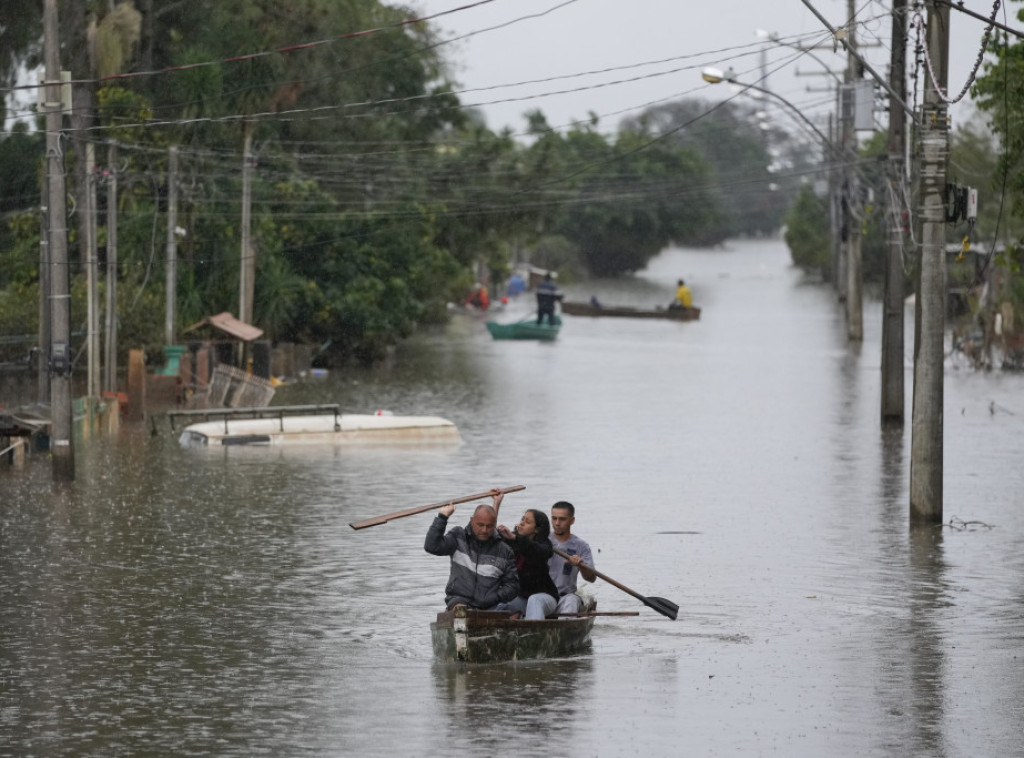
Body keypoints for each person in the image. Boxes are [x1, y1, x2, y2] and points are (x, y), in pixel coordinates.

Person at [424, 497, 519, 610]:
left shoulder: (505, 551)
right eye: (480, 525)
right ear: (471, 520)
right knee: (461, 610)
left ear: (495, 524)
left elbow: (513, 586)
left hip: (489, 605)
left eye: (489, 526)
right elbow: (431, 546)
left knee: (514, 613)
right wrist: (442, 517)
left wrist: (494, 597)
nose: (484, 530)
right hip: (458, 601)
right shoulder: (458, 537)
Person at [528, 501, 596, 618]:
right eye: (554, 519)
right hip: (543, 596)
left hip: (566, 597)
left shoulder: (581, 546)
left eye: (562, 519)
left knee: (572, 600)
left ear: (572, 520)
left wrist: (580, 565)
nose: (557, 523)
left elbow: (591, 578)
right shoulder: (540, 541)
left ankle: (567, 631)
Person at [494, 506, 559, 619]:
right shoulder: (512, 543)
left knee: (534, 600)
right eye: (522, 520)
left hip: (545, 598)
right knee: (496, 604)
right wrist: (496, 503)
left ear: (537, 530)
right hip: (522, 599)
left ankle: (535, 634)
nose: (522, 523)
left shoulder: (544, 545)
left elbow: (536, 551)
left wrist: (514, 537)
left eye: (527, 522)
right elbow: (490, 533)